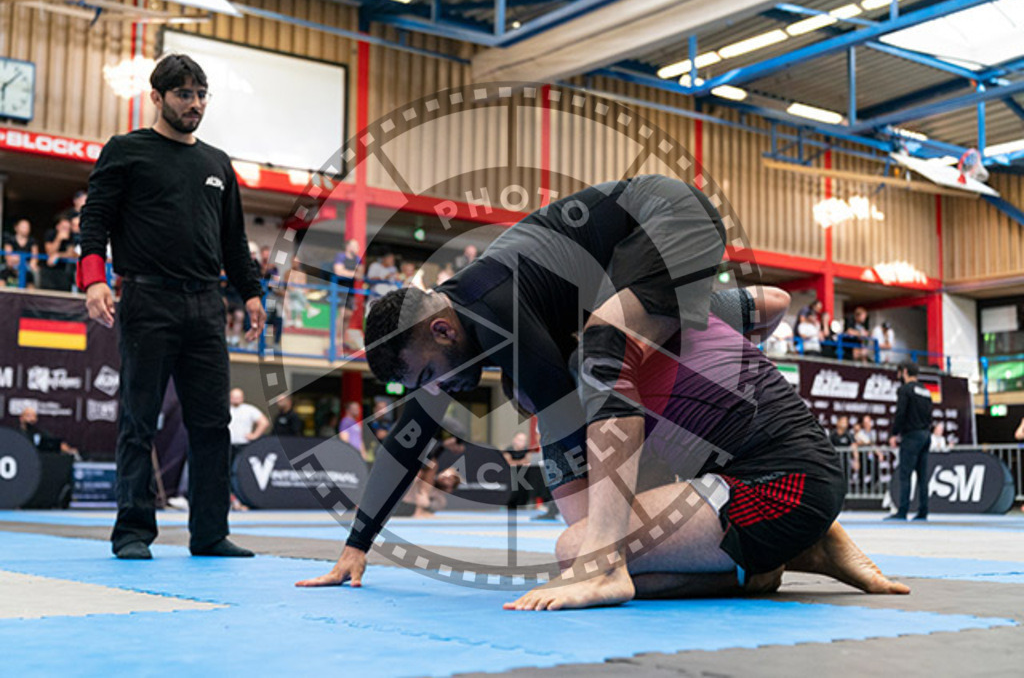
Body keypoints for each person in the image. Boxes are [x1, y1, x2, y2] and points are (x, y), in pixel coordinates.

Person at [296, 176, 906, 607]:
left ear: (440, 329)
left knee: (601, 362)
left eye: (430, 374)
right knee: (614, 356)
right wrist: (358, 545)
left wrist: (597, 558)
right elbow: (412, 432)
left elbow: (570, 450)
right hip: (660, 277)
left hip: (672, 220)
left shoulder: (502, 317)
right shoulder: (481, 321)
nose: (441, 393)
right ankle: (804, 548)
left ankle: (724, 559)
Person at [78, 54, 266, 560]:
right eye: (185, 94)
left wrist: (251, 294)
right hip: (146, 298)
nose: (196, 104)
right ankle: (133, 532)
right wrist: (95, 279)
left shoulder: (217, 164)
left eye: (202, 94)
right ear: (157, 97)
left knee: (212, 424)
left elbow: (234, 240)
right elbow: (94, 220)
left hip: (206, 306)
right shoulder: (126, 151)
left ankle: (209, 532)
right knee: (139, 420)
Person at [886, 361, 934, 521]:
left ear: (904, 371)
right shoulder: (926, 391)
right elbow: (929, 415)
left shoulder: (905, 390)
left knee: (905, 474)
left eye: (899, 373)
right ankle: (923, 511)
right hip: (926, 434)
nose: (898, 376)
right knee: (922, 476)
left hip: (912, 436)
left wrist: (894, 433)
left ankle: (902, 511)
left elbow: (901, 413)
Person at [40, 215, 77, 291]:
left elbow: (71, 254)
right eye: (64, 228)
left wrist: (58, 255)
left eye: (68, 228)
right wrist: (58, 239)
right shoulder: (50, 234)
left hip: (64, 272)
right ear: (58, 227)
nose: (66, 230)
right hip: (48, 270)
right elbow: (49, 252)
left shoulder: (71, 236)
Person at [3, 219, 39, 287]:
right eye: (23, 227)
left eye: (27, 227)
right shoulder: (10, 240)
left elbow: (35, 257)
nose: (26, 229)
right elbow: (8, 257)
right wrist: (19, 261)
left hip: (26, 269)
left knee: (31, 283)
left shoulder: (32, 241)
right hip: (11, 268)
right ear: (16, 228)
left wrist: (31, 263)